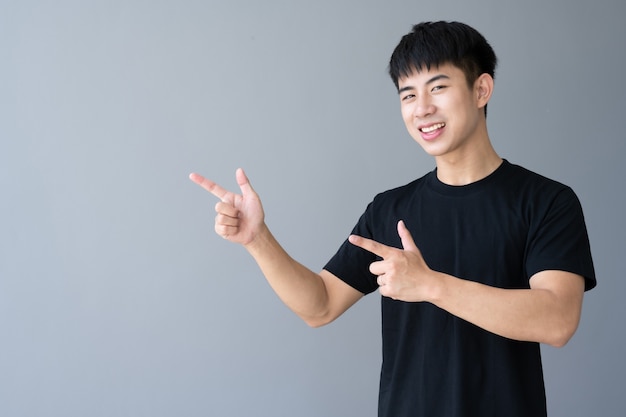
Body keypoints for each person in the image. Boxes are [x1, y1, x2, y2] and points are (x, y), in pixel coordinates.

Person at [189, 21, 596, 417]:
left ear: (481, 89)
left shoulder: (547, 201)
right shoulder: (390, 209)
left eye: (438, 87)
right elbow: (320, 306)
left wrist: (430, 284)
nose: (422, 109)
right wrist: (257, 240)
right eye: (407, 95)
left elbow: (557, 319)